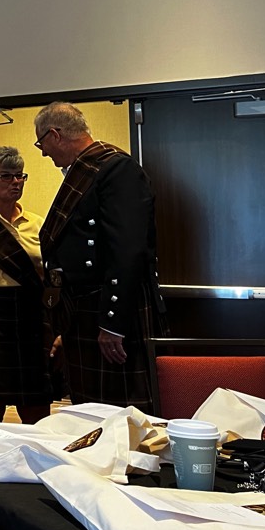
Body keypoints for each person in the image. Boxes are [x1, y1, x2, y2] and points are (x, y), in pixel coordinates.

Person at [34, 101, 164, 408]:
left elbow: (128, 249)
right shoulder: (89, 169)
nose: (43, 152)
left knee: (123, 410)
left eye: (42, 143)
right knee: (91, 409)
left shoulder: (117, 169)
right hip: (83, 310)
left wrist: (112, 323)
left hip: (107, 310)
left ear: (55, 135)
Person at [0, 146, 54, 423]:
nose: (16, 182)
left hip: (31, 320)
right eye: (7, 176)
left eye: (20, 176)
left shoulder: (39, 225)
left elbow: (52, 278)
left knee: (37, 412)